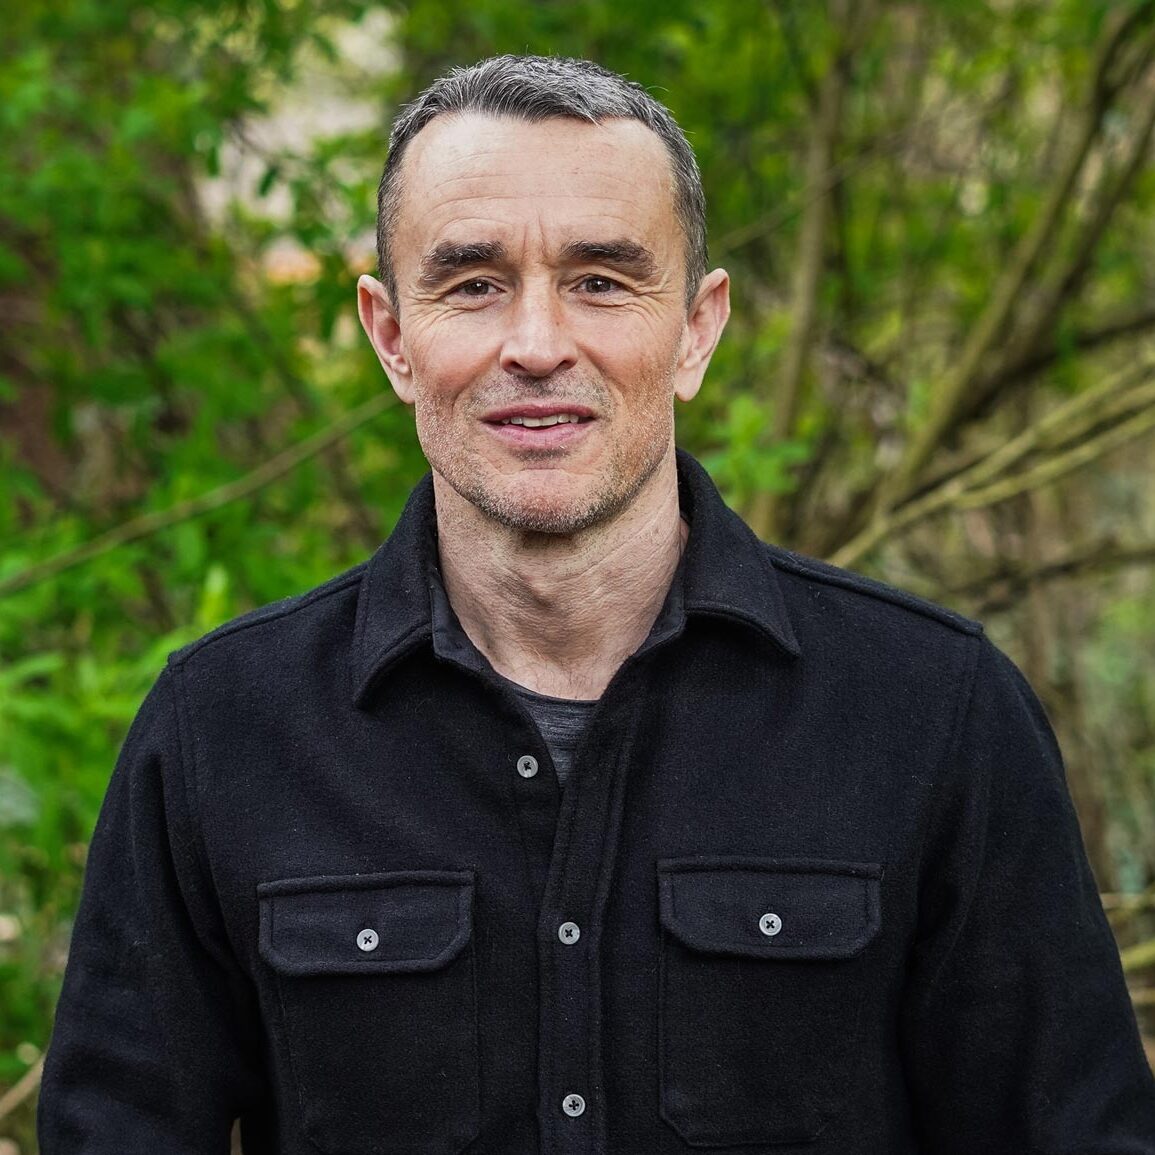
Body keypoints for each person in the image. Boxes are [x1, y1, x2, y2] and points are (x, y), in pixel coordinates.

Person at [39, 53, 1155, 1155]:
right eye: (473, 283)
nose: (536, 345)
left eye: (603, 281)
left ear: (697, 329)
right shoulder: (220, 732)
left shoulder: (934, 713)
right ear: (389, 336)